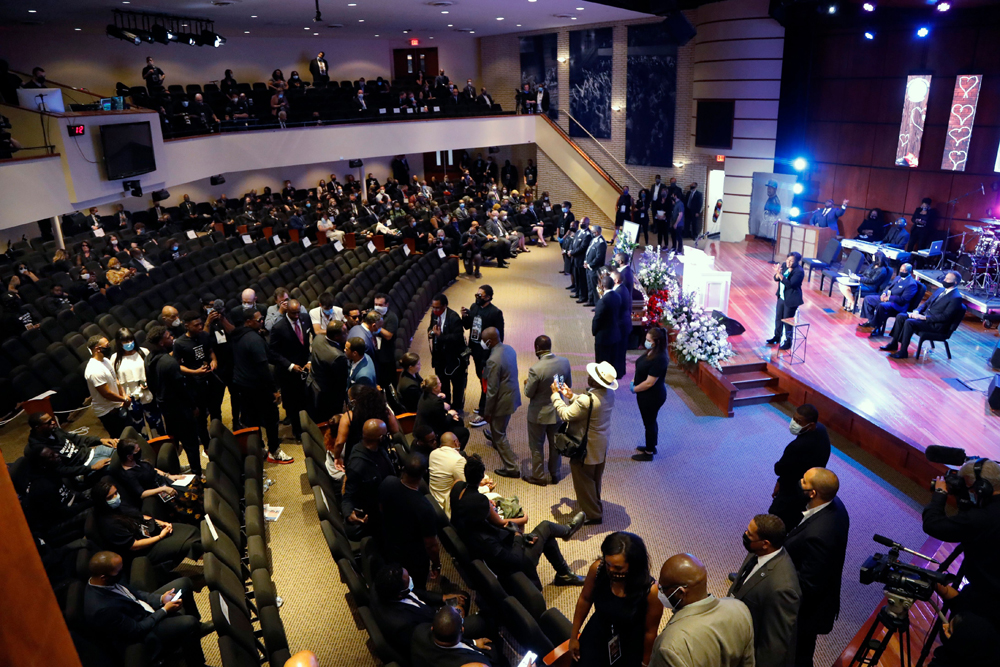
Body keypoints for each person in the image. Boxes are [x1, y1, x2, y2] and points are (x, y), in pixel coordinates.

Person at [450, 457, 585, 588]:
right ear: (480, 477)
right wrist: (518, 537)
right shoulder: (486, 540)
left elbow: (490, 521)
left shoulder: (457, 489)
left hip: (502, 545)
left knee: (546, 537)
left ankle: (564, 573)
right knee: (547, 526)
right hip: (515, 564)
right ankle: (567, 532)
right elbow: (514, 561)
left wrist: (522, 537)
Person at [922, 459, 1000, 667]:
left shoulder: (982, 518)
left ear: (982, 488)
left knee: (964, 645)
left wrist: (940, 494)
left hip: (989, 601)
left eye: (969, 487)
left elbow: (934, 525)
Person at [84, 551, 210, 666]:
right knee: (190, 623)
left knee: (185, 583)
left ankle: (199, 627)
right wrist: (164, 610)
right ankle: (197, 664)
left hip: (142, 607)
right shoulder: (102, 609)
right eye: (118, 570)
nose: (122, 572)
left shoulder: (109, 578)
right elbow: (136, 630)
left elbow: (134, 593)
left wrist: (161, 599)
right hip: (144, 630)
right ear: (103, 577)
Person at [783, 468, 850, 667]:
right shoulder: (835, 504)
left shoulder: (820, 535)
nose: (799, 481)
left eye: (803, 481)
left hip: (806, 611)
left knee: (799, 653)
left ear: (813, 493)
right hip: (813, 599)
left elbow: (809, 584)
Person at [569, 532, 664, 667]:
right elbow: (585, 599)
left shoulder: (652, 592)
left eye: (618, 568)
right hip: (597, 634)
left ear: (634, 565)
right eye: (608, 564)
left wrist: (645, 663)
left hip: (629, 646)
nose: (610, 570)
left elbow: (650, 632)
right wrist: (574, 637)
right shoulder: (597, 569)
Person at [648, 553, 755, 667]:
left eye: (663, 588)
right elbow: (748, 663)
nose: (660, 591)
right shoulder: (739, 608)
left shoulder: (669, 646)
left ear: (680, 593)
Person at [371, 563, 485, 664]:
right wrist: (471, 642)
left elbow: (417, 593)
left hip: (430, 614)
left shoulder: (383, 587)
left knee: (462, 597)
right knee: (480, 622)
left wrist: (443, 598)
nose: (411, 579)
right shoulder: (402, 625)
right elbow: (435, 642)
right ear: (400, 595)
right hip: (439, 628)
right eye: (407, 581)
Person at [727, 514, 800, 667]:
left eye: (749, 534)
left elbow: (773, 647)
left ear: (765, 543)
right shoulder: (758, 550)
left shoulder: (783, 589)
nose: (745, 535)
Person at [551, 361, 617, 525]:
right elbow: (590, 405)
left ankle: (593, 514)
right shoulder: (609, 393)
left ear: (595, 382)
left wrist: (555, 396)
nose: (588, 377)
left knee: (583, 479)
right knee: (595, 476)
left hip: (585, 447)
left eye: (591, 376)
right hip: (600, 445)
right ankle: (594, 504)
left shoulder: (587, 400)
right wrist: (572, 396)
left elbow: (565, 414)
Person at [92, 478, 203, 573]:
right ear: (102, 501)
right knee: (189, 542)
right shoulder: (108, 524)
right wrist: (160, 536)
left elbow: (140, 516)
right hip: (144, 550)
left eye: (116, 493)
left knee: (191, 531)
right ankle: (212, 564)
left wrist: (160, 523)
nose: (116, 497)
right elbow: (134, 545)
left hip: (149, 531)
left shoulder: (119, 505)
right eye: (110, 497)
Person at [230, 308, 293, 464]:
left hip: (242, 384)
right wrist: (273, 391)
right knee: (272, 418)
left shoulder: (237, 335)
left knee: (252, 419)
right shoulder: (254, 340)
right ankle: (274, 450)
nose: (262, 321)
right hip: (257, 386)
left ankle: (259, 447)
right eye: (258, 320)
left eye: (262, 318)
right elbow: (263, 369)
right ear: (248, 321)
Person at [144, 326, 204, 474]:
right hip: (180, 410)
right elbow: (181, 390)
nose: (172, 338)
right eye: (168, 336)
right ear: (161, 343)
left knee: (173, 441)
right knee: (191, 443)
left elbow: (151, 385)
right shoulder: (170, 363)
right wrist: (193, 407)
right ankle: (196, 473)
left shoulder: (148, 359)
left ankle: (174, 470)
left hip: (165, 408)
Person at [378, 454, 442, 590]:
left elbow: (381, 509)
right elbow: (431, 545)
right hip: (413, 559)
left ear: (403, 469)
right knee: (417, 589)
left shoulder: (387, 482)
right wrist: (436, 564)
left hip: (388, 545)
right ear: (425, 473)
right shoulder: (425, 508)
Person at [768, 404, 831, 531]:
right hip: (810, 484)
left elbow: (779, 469)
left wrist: (780, 480)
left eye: (799, 422)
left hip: (794, 490)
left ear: (811, 425)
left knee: (776, 520)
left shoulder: (796, 447)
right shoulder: (821, 430)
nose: (794, 423)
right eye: (794, 419)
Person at [112, 439, 203, 524]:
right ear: (129, 456)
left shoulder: (135, 461)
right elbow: (142, 494)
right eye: (137, 450)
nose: (140, 450)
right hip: (159, 491)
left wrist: (170, 476)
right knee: (192, 496)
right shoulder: (128, 475)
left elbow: (153, 469)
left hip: (165, 482)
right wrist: (163, 489)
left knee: (197, 480)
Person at [880, 270, 964, 359]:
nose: (944, 280)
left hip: (934, 324)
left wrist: (924, 318)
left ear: (955, 282)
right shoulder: (940, 289)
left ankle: (903, 351)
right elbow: (926, 303)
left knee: (909, 322)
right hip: (924, 317)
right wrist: (917, 311)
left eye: (947, 279)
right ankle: (894, 343)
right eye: (945, 278)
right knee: (901, 316)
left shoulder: (956, 297)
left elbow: (945, 317)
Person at [523, 335, 572, 486]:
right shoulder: (564, 362)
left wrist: (526, 383)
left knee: (537, 446)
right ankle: (555, 473)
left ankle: (538, 476)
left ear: (537, 348)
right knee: (555, 444)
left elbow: (528, 393)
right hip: (557, 413)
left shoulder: (535, 369)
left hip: (538, 415)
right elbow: (566, 386)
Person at [172, 310, 223, 450]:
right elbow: (177, 366)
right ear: (187, 326)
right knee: (200, 418)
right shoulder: (180, 343)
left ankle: (219, 438)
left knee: (216, 411)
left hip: (210, 379)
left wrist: (214, 360)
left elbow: (210, 351)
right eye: (196, 325)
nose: (200, 327)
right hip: (194, 384)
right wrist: (194, 372)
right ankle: (207, 446)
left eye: (201, 324)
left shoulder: (204, 335)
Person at [342, 418, 395, 540]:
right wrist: (349, 515)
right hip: (375, 514)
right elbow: (348, 497)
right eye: (386, 434)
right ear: (381, 438)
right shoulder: (358, 465)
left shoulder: (378, 449)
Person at [24, 411, 115, 481]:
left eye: (52, 419)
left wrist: (100, 440)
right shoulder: (40, 449)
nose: (53, 422)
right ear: (37, 427)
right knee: (116, 465)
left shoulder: (54, 430)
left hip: (90, 452)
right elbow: (61, 470)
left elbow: (76, 439)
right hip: (84, 466)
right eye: (48, 422)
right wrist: (91, 468)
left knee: (122, 447)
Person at [269, 298, 313, 441]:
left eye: (298, 313)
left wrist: (310, 360)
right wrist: (290, 365)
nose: (296, 316)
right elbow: (273, 353)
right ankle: (298, 432)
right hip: (288, 372)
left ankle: (308, 427)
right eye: (293, 313)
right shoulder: (278, 328)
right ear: (287, 310)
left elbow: (310, 341)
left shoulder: (305, 318)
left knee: (306, 400)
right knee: (293, 404)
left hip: (305, 368)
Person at [481, 327, 521, 478]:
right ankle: (495, 438)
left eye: (484, 341)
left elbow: (492, 390)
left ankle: (512, 468)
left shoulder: (493, 360)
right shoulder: (509, 349)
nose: (483, 344)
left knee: (500, 433)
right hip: (512, 395)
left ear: (490, 341)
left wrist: (487, 412)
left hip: (501, 401)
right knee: (499, 427)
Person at [462, 286, 504, 427]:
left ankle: (485, 413)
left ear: (488, 297)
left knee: (486, 383)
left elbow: (500, 336)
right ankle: (484, 406)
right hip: (474, 350)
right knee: (481, 380)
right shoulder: (474, 307)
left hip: (486, 354)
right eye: (477, 294)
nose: (477, 297)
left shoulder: (495, 312)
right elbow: (468, 326)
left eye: (480, 295)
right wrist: (465, 317)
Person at [110, 327, 162, 436]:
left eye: (131, 340)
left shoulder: (143, 352)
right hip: (130, 397)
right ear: (119, 343)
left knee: (156, 422)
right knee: (138, 426)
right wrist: (122, 397)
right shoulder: (115, 359)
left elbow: (152, 371)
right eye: (126, 341)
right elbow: (115, 379)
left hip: (147, 393)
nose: (129, 343)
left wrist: (147, 382)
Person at [410, 607, 495, 667]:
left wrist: (474, 643)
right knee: (493, 649)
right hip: (483, 659)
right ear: (462, 630)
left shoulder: (419, 631)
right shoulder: (467, 664)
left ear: (432, 628)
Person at [631, 327, 668, 462]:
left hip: (652, 396)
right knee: (650, 421)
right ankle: (651, 445)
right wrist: (634, 381)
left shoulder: (660, 358)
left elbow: (649, 383)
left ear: (656, 342)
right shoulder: (652, 352)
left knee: (649, 423)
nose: (645, 342)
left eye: (648, 340)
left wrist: (634, 389)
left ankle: (649, 452)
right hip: (645, 394)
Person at [85, 335, 130, 438]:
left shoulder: (106, 360)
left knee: (128, 431)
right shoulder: (94, 370)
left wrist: (123, 395)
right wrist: (124, 399)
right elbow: (106, 394)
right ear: (98, 349)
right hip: (107, 411)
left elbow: (116, 380)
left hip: (118, 404)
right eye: (107, 345)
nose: (109, 346)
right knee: (120, 437)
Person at [857, 263, 917, 337]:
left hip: (898, 305)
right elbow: (889, 289)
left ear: (909, 272)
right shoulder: (898, 278)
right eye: (901, 269)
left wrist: (888, 298)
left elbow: (904, 299)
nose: (901, 271)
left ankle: (877, 328)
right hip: (888, 298)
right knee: (868, 299)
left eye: (904, 271)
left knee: (881, 306)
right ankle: (872, 321)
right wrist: (884, 294)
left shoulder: (911, 284)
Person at [415, 375, 470, 448]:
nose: (441, 384)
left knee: (459, 421)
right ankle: (456, 452)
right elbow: (444, 424)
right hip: (433, 433)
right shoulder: (436, 402)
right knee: (465, 432)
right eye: (439, 383)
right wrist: (450, 414)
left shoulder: (424, 394)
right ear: (434, 388)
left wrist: (438, 396)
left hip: (424, 427)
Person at [310, 320, 349, 422]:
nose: (347, 334)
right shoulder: (337, 356)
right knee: (330, 419)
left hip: (314, 385)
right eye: (345, 333)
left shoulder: (318, 338)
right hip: (329, 395)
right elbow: (341, 381)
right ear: (336, 336)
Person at [767, 252, 804, 350]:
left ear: (796, 262)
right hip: (781, 297)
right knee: (778, 318)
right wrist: (777, 274)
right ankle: (777, 337)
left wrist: (780, 274)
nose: (788, 262)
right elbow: (776, 279)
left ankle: (788, 342)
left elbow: (790, 284)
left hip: (791, 299)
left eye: (791, 261)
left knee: (787, 321)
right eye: (788, 260)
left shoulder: (799, 272)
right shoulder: (784, 265)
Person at [592, 275, 621, 365]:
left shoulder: (602, 301)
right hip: (615, 333)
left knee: (602, 361)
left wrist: (594, 331)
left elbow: (597, 319)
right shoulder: (618, 296)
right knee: (611, 361)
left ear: (602, 286)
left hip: (603, 337)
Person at [373, 293, 399, 391]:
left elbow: (388, 336)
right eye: (376, 304)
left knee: (389, 384)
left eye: (380, 305)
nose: (377, 307)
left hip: (386, 355)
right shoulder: (373, 314)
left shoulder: (391, 317)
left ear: (387, 305)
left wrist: (377, 327)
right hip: (376, 354)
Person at [583, 224, 608, 307]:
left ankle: (597, 305)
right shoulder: (594, 239)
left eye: (592, 232)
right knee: (589, 285)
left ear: (596, 233)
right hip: (589, 267)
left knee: (595, 287)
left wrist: (590, 264)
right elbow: (589, 251)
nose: (591, 233)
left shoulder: (601, 243)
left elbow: (599, 257)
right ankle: (590, 301)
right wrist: (586, 261)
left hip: (595, 269)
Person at [669, 190, 686, 254]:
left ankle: (679, 250)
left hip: (678, 224)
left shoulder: (680, 204)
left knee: (679, 237)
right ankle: (674, 248)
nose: (672, 196)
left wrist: (676, 223)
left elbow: (680, 214)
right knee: (673, 236)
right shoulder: (675, 203)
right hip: (673, 223)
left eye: (673, 195)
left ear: (675, 196)